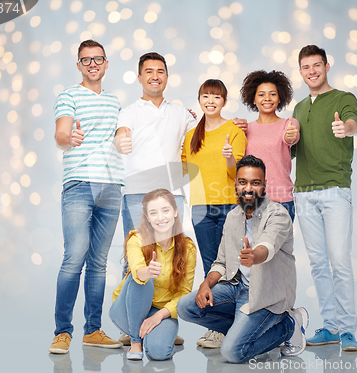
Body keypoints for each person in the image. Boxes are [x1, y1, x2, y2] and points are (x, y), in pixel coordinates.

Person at [177, 155, 309, 363]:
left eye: (255, 183)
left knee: (232, 352)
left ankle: (289, 325)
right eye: (243, 182)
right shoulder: (232, 217)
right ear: (236, 184)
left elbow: (267, 246)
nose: (248, 188)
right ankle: (243, 330)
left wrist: (254, 256)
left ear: (264, 185)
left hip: (267, 295)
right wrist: (206, 284)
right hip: (236, 288)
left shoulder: (278, 215)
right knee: (186, 306)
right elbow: (221, 262)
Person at [49, 40, 124, 354]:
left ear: (106, 63)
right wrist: (70, 138)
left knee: (99, 263)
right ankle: (62, 332)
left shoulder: (115, 100)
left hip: (112, 186)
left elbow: (126, 133)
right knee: (74, 258)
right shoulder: (69, 95)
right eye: (86, 60)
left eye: (98, 59)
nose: (92, 64)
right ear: (78, 65)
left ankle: (92, 330)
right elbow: (61, 135)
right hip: (79, 183)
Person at [292, 45, 357, 351]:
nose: (312, 71)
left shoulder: (344, 99)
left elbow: (352, 123)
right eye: (306, 67)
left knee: (340, 262)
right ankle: (331, 327)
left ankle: (348, 330)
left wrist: (345, 129)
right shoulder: (298, 107)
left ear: (327, 66)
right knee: (318, 264)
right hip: (304, 193)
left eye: (316, 65)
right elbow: (291, 148)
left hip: (335, 190)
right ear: (301, 71)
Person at [114, 52, 197, 239]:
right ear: (139, 78)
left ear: (166, 77)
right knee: (134, 258)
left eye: (160, 72)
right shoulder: (129, 113)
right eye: (149, 71)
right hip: (137, 194)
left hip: (172, 196)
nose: (155, 76)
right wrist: (121, 141)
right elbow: (121, 135)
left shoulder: (181, 112)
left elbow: (202, 138)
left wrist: (234, 125)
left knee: (173, 258)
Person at [109, 189, 197, 361]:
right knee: (142, 279)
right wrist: (147, 272)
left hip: (160, 310)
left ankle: (156, 335)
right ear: (147, 217)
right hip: (126, 309)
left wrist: (158, 316)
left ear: (175, 211)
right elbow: (136, 269)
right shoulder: (136, 239)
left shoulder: (188, 248)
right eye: (153, 213)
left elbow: (184, 293)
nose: (161, 217)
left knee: (159, 353)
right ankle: (135, 341)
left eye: (165, 210)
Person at [182, 79, 247, 277]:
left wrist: (229, 159)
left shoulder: (235, 131)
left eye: (216, 97)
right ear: (199, 100)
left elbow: (237, 175)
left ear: (224, 102)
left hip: (229, 206)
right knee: (209, 268)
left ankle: (231, 307)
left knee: (230, 267)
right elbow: (182, 170)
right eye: (206, 96)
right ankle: (213, 308)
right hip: (200, 208)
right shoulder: (191, 136)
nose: (211, 101)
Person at [240, 70, 300, 223]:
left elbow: (290, 138)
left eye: (272, 94)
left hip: (281, 201)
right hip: (251, 202)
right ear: (253, 99)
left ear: (280, 98)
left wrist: (291, 136)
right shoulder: (245, 129)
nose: (267, 98)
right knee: (253, 247)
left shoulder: (288, 124)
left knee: (278, 247)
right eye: (261, 94)